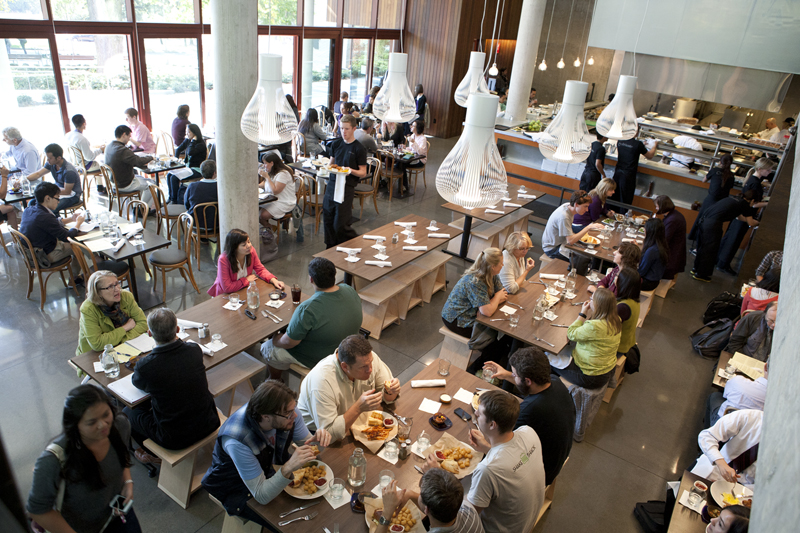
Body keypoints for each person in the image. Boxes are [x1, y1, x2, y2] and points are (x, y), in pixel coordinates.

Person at [201, 380, 332, 528]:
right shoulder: (237, 440)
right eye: (288, 414)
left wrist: (320, 441)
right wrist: (288, 468)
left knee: (320, 511)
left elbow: (309, 446)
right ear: (265, 417)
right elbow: (261, 495)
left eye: (293, 408)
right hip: (238, 488)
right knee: (296, 527)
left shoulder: (286, 412)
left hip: (269, 469)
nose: (295, 415)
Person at [27, 385, 140, 533]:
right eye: (92, 422)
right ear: (75, 425)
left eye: (106, 414)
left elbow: (122, 454)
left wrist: (128, 481)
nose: (103, 425)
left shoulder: (120, 425)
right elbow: (37, 510)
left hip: (118, 513)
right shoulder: (52, 460)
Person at [123, 307, 220, 464]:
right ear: (177, 329)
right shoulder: (194, 350)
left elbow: (137, 383)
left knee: (129, 411)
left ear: (149, 333)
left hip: (174, 439)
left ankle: (150, 453)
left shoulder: (146, 366)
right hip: (209, 421)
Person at [481, 347, 575, 486]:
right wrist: (506, 374)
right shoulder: (555, 382)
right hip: (558, 455)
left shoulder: (530, 409)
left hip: (539, 474)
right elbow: (526, 386)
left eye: (514, 375)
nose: (513, 376)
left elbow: (502, 445)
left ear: (528, 381)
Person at [261, 257, 362, 378]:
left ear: (311, 279)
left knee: (268, 348)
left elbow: (288, 342)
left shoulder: (308, 309)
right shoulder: (350, 290)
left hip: (320, 359)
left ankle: (274, 382)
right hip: (347, 350)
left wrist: (275, 339)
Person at [461, 390, 545, 533]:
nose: (475, 414)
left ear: (492, 425)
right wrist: (488, 448)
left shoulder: (487, 470)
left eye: (479, 413)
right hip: (527, 521)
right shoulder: (528, 431)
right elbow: (514, 458)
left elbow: (468, 518)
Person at [297, 335, 400, 442]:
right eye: (363, 367)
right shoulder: (321, 382)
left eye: (371, 363)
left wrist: (390, 392)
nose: (370, 369)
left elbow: (388, 398)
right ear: (345, 366)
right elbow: (329, 435)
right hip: (315, 433)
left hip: (354, 420)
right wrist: (358, 408)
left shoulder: (367, 359)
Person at [441, 248, 513, 370]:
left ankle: (500, 361)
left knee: (503, 333)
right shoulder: (475, 281)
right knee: (493, 342)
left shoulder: (492, 275)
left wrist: (491, 302)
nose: (503, 265)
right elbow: (488, 310)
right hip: (457, 320)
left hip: (474, 315)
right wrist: (495, 298)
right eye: (501, 263)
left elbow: (503, 294)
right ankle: (479, 369)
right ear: (492, 266)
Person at [552, 287, 621, 389]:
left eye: (592, 299)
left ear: (598, 304)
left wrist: (583, 313)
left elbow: (571, 334)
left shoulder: (595, 326)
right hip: (606, 370)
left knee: (547, 359)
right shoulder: (616, 320)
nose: (589, 300)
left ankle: (554, 394)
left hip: (590, 377)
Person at [715, 158, 774, 274]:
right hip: (744, 215)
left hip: (740, 213)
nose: (770, 172)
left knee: (730, 238)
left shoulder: (752, 180)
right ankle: (723, 263)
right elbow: (754, 204)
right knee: (734, 240)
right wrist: (769, 203)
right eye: (768, 169)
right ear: (760, 169)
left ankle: (719, 261)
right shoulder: (755, 182)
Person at [379, 469, 484, 533]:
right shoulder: (468, 509)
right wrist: (410, 494)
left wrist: (387, 512)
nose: (419, 494)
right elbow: (435, 508)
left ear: (427, 509)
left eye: (420, 492)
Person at [19, 182, 85, 279]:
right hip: (42, 257)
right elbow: (67, 237)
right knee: (79, 246)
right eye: (57, 198)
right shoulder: (45, 217)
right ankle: (76, 277)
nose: (59, 201)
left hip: (32, 253)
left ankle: (92, 266)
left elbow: (51, 223)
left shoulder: (30, 209)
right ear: (47, 198)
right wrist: (78, 223)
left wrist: (71, 218)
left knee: (75, 244)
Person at [76, 270, 148, 356]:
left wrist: (121, 340)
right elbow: (97, 344)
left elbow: (143, 323)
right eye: (110, 287)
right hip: (95, 356)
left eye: (117, 283)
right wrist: (125, 328)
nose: (117, 289)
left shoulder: (126, 296)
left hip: (124, 349)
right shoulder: (88, 309)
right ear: (98, 292)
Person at [691, 190, 759, 282]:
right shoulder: (744, 204)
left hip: (704, 220)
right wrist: (758, 223)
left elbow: (739, 217)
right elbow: (750, 222)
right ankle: (701, 274)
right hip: (713, 224)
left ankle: (696, 269)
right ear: (752, 200)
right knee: (710, 250)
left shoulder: (734, 198)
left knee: (702, 246)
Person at [323, 114, 367, 248]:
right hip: (332, 185)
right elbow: (331, 164)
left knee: (340, 224)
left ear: (354, 129)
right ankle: (329, 247)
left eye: (347, 129)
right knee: (328, 219)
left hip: (346, 188)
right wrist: (327, 168)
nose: (344, 132)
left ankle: (354, 242)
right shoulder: (336, 144)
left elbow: (363, 172)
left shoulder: (359, 148)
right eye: (342, 128)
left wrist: (350, 170)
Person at [690, 409, 762, 488]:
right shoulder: (752, 417)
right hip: (715, 467)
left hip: (741, 489)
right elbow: (707, 436)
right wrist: (721, 464)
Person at [208, 228, 283, 297]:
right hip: (225, 296)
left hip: (243, 290)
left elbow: (260, 269)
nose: (249, 246)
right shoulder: (223, 259)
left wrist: (273, 280)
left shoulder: (251, 251)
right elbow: (227, 287)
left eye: (249, 241)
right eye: (244, 245)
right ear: (234, 248)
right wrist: (246, 280)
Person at [541, 190, 605, 262]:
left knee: (585, 252)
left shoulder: (568, 205)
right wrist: (588, 227)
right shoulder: (564, 216)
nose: (587, 210)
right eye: (585, 206)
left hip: (560, 243)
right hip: (552, 249)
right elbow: (570, 241)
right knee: (584, 260)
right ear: (576, 204)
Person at [104, 125, 156, 209]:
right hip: (124, 184)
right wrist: (151, 157)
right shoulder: (122, 150)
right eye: (129, 136)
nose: (129, 139)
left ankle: (137, 207)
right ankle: (142, 209)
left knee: (142, 179)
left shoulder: (109, 146)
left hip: (113, 182)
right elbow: (138, 161)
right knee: (151, 184)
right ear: (124, 135)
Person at [689, 154, 735, 243]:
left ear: (720, 162)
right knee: (714, 224)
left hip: (710, 200)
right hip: (722, 203)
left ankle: (697, 242)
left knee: (702, 220)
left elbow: (704, 180)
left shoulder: (714, 170)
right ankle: (708, 243)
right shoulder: (731, 176)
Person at [25, 143, 83, 214]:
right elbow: (38, 174)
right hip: (57, 192)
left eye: (50, 158)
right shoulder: (52, 164)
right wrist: (24, 180)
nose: (48, 160)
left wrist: (48, 191)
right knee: (32, 202)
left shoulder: (69, 171)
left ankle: (56, 224)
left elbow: (67, 191)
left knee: (51, 207)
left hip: (72, 196)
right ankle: (37, 223)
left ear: (58, 158)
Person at [706, 361, 767, 428]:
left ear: (765, 366)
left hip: (724, 425)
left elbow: (726, 394)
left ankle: (709, 428)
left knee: (715, 396)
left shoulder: (738, 381)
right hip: (747, 433)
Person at [611, 131, 657, 210]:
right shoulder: (638, 144)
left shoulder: (620, 140)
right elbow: (650, 156)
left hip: (617, 173)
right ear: (636, 132)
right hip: (628, 176)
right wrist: (655, 145)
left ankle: (612, 216)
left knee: (615, 196)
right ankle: (621, 218)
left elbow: (627, 153)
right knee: (625, 200)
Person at [258, 152, 296, 226]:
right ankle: (268, 229)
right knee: (255, 210)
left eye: (265, 163)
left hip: (284, 201)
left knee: (262, 215)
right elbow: (265, 183)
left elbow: (275, 191)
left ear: (272, 163)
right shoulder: (272, 171)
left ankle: (270, 229)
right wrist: (256, 186)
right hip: (274, 199)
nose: (264, 166)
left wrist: (267, 177)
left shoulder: (283, 174)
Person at [653, 195, 686, 280]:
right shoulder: (674, 214)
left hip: (671, 254)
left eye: (657, 206)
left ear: (662, 206)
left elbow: (664, 239)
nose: (656, 208)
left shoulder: (672, 220)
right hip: (676, 250)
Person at [183, 160, 218, 232]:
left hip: (195, 224)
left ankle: (197, 240)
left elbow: (187, 205)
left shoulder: (192, 186)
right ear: (215, 173)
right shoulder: (219, 187)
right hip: (216, 225)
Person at [615, 267, 641, 356]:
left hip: (618, 348)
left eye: (617, 276)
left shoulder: (623, 307)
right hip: (627, 342)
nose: (615, 278)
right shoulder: (633, 300)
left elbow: (605, 328)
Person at [638, 217, 668, 291]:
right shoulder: (661, 244)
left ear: (650, 231)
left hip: (647, 283)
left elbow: (641, 272)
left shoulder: (652, 250)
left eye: (645, 228)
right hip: (654, 280)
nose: (644, 230)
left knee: (619, 274)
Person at [400, 119, 428, 193]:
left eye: (413, 125)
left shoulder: (423, 139)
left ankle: (404, 185)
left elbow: (420, 152)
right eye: (411, 125)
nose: (411, 126)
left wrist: (414, 142)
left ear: (417, 128)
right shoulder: (413, 135)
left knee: (401, 165)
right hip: (412, 158)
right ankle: (402, 184)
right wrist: (405, 148)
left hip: (420, 160)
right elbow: (412, 149)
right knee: (399, 164)